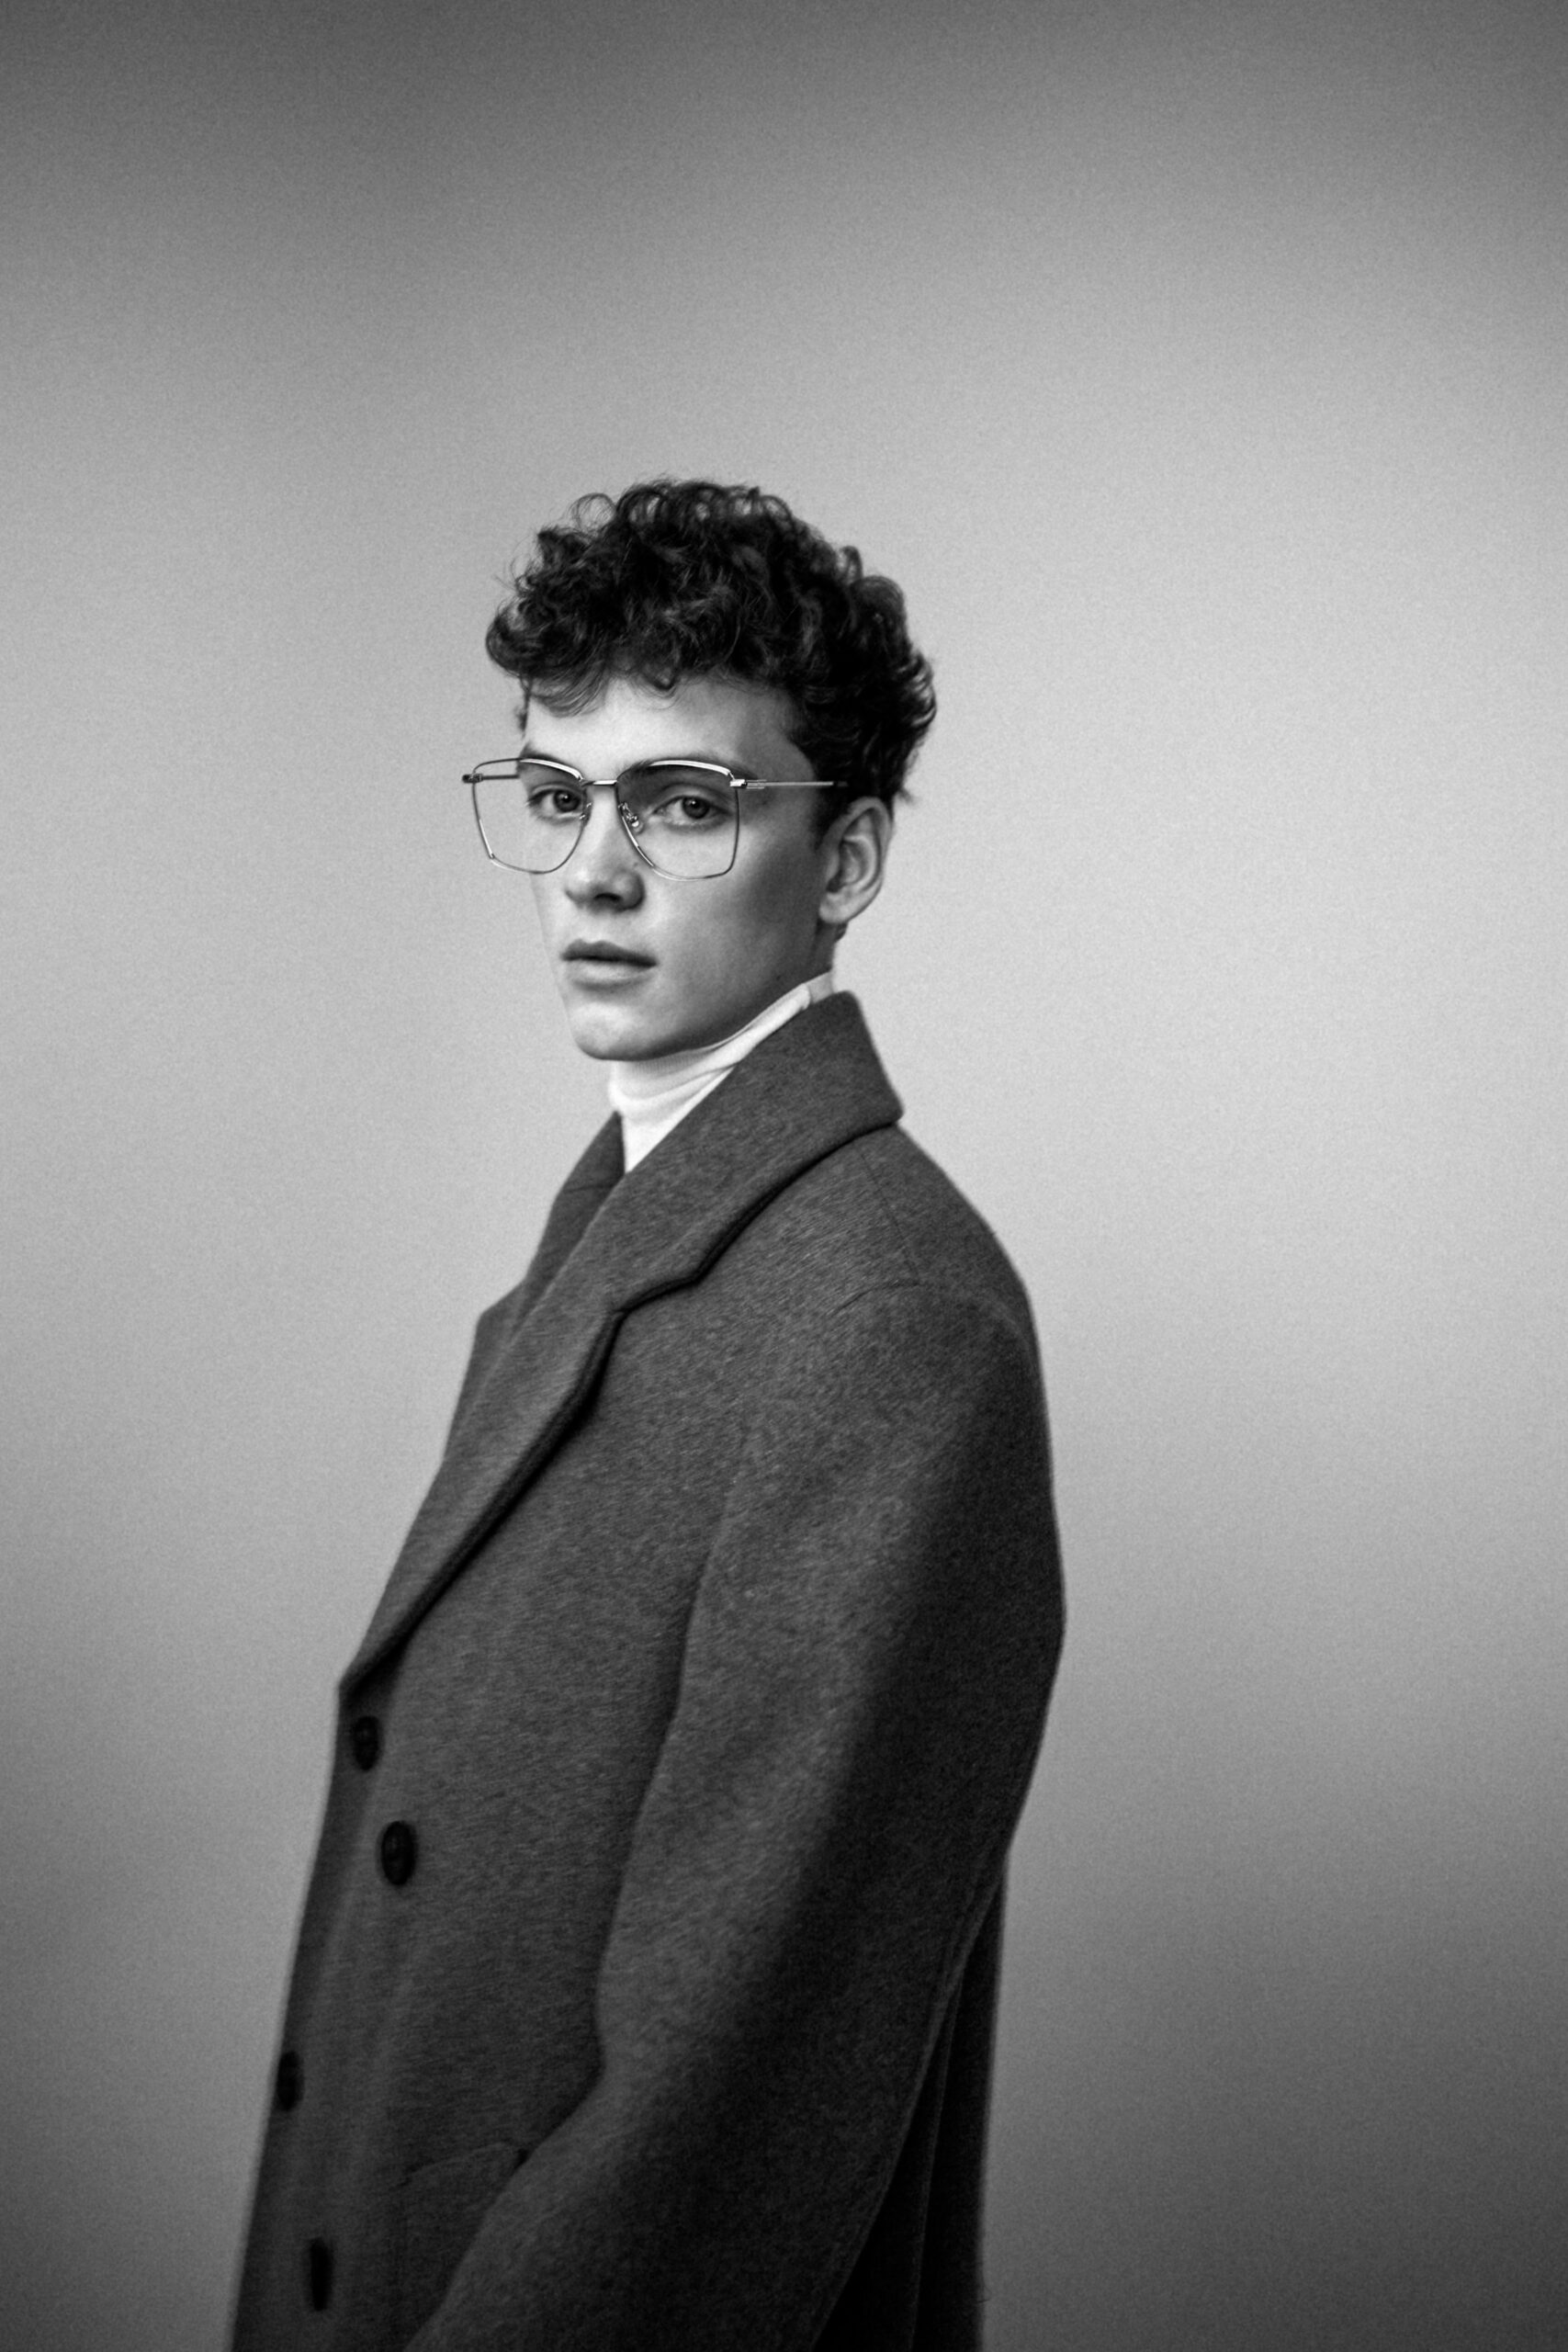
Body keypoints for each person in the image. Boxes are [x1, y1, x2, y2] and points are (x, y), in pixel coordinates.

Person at [231, 481, 1065, 2351]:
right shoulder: (621, 1233)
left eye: (683, 803)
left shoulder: (888, 1323)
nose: (590, 874)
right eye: (559, 795)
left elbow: (715, 2134)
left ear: (844, 859)